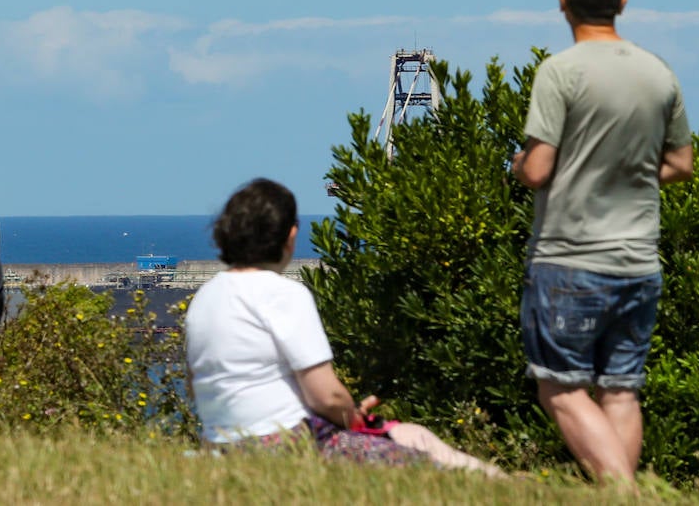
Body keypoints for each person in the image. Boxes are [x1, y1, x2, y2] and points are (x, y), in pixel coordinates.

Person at [511, 0, 693, 485]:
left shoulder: (559, 73)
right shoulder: (658, 74)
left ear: (563, 1)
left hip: (570, 259)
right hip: (638, 261)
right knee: (621, 388)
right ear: (623, 2)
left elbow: (539, 169)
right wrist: (625, 171)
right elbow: (681, 164)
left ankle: (627, 494)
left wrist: (518, 165)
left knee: (560, 387)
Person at [185, 178, 501, 475]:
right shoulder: (284, 294)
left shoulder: (204, 297)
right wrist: (353, 414)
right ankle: (507, 485)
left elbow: (197, 384)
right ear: (290, 235)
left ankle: (508, 483)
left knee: (410, 433)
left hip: (222, 446)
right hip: (288, 445)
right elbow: (328, 398)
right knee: (427, 459)